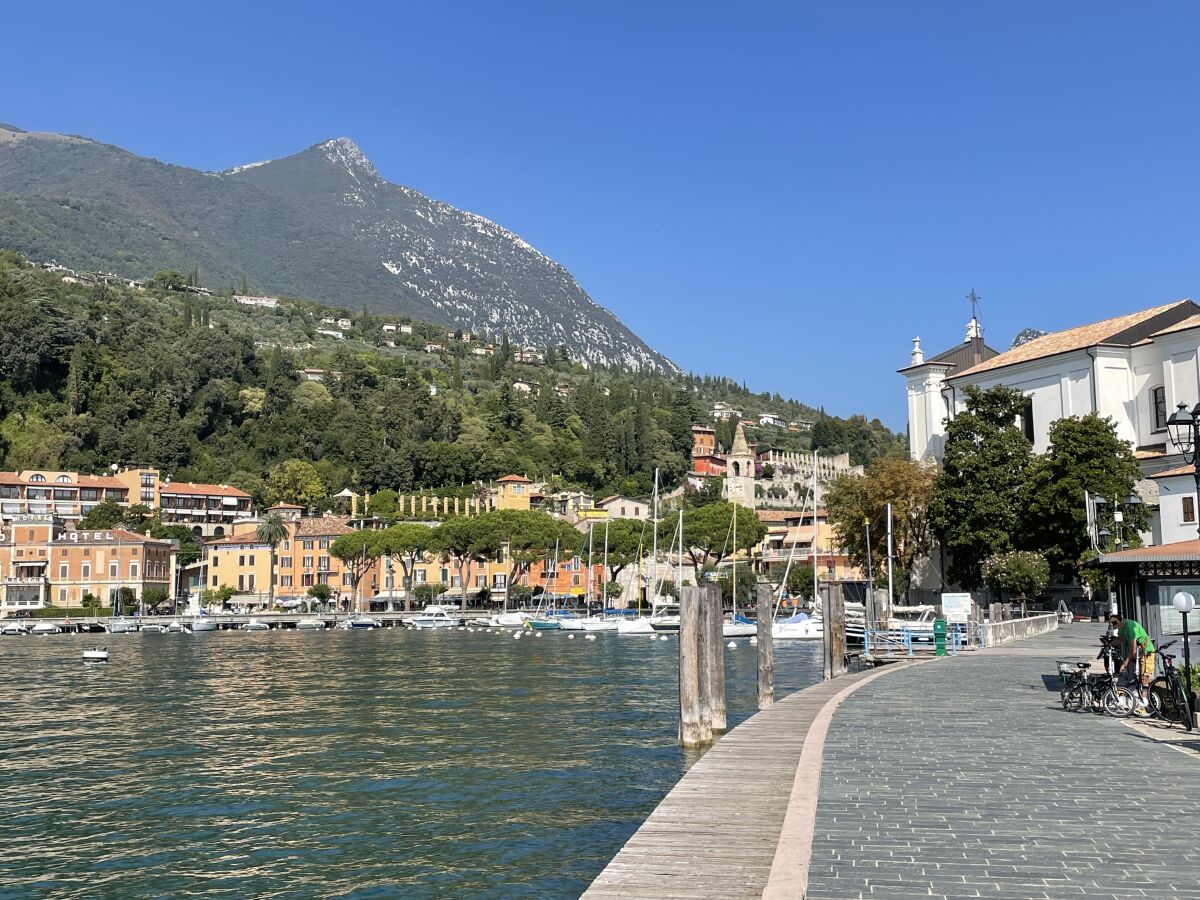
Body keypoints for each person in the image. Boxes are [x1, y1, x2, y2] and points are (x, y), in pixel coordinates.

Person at [1109, 613, 1155, 710]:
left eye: (1115, 624)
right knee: (1138, 677)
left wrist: (1125, 664)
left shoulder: (1130, 628)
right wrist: (1109, 644)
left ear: (1121, 621)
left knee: (1144, 678)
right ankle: (1137, 696)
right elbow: (1120, 639)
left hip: (1147, 651)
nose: (1115, 627)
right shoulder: (1122, 627)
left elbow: (1132, 651)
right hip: (1139, 653)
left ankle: (1145, 702)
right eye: (1113, 625)